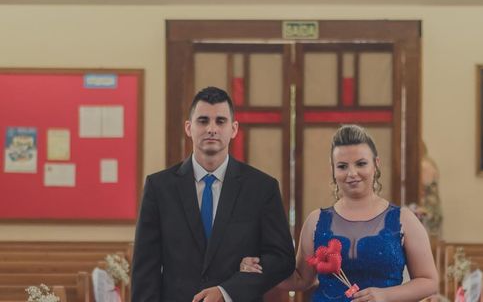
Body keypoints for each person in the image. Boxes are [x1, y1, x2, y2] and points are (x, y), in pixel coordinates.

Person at [131, 86, 295, 302]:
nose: (211, 129)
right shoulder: (159, 187)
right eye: (203, 121)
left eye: (220, 121)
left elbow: (282, 258)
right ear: (188, 128)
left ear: (234, 129)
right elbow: (145, 270)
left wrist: (228, 290)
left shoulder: (262, 188)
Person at [240, 124, 439, 301]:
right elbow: (301, 279)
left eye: (361, 163)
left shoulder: (403, 219)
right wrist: (261, 271)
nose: (352, 173)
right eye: (342, 166)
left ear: (376, 164)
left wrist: (385, 295)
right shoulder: (316, 220)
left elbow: (429, 281)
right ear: (333, 170)